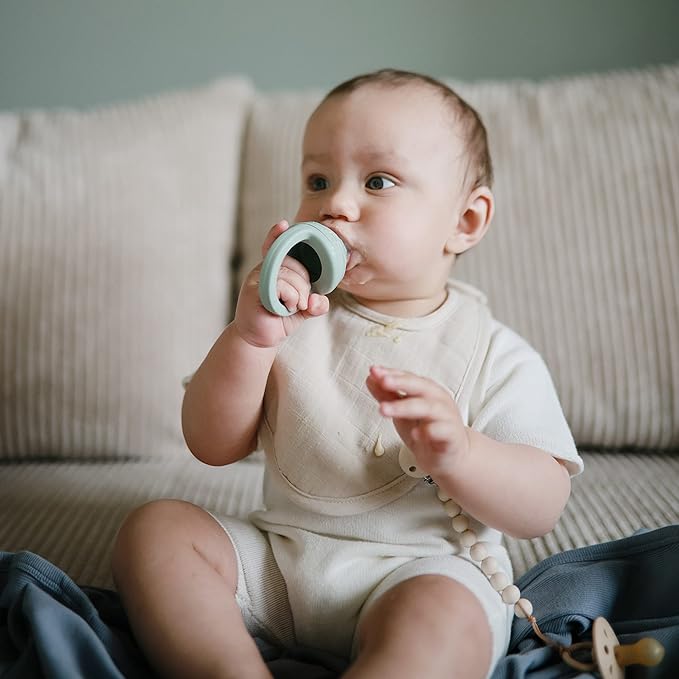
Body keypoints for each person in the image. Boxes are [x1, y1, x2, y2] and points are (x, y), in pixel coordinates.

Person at [112, 69, 583, 679]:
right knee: (155, 530)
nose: (334, 203)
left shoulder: (497, 354)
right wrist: (249, 338)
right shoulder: (290, 317)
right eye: (318, 181)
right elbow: (210, 443)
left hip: (414, 572)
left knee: (448, 617)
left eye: (378, 181)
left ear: (465, 222)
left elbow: (541, 506)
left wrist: (463, 453)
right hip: (279, 562)